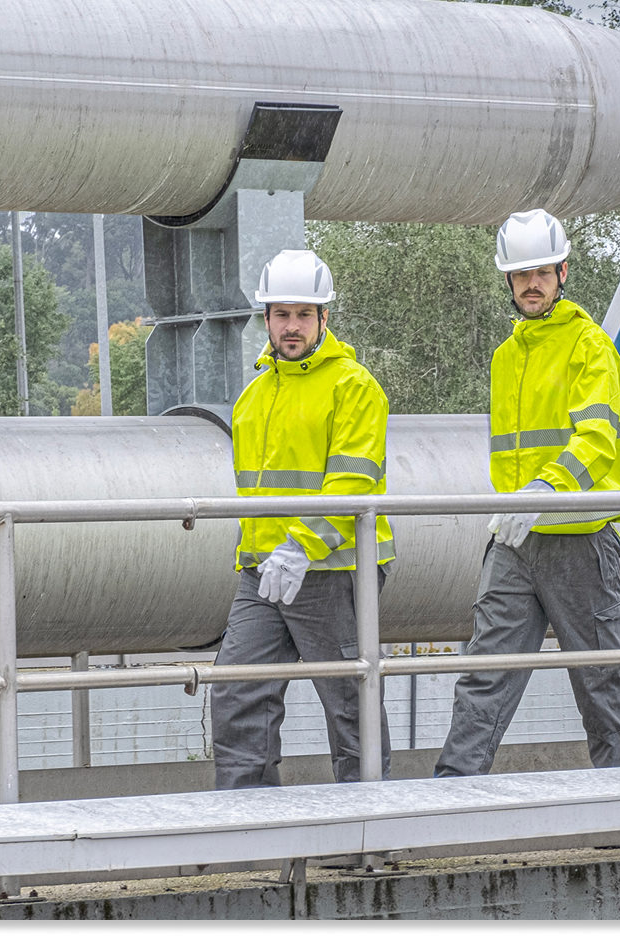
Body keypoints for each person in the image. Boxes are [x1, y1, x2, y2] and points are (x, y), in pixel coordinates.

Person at [435, 209, 620, 776]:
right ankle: (452, 800)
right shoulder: (507, 357)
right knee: (484, 674)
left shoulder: (590, 346)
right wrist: (517, 503)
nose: (532, 283)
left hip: (578, 538)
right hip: (515, 542)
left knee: (602, 681)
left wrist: (542, 492)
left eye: (543, 272)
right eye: (522, 273)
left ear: (563, 274)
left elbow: (596, 440)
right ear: (508, 280)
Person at [211, 248, 395, 789]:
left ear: (323, 319)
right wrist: (260, 556)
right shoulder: (254, 394)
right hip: (263, 574)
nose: (292, 327)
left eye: (304, 315)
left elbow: (353, 483)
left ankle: (368, 830)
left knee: (347, 698)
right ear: (265, 319)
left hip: (333, 569)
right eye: (282, 315)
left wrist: (301, 546)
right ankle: (251, 823)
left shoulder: (353, 386)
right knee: (237, 690)